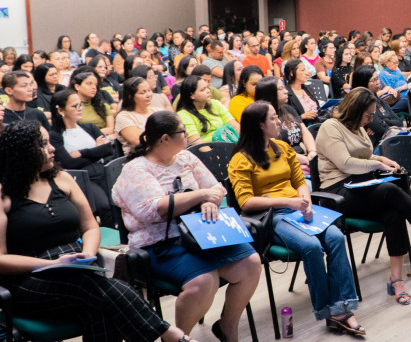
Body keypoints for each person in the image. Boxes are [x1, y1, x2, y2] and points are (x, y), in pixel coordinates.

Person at [0, 121, 196, 342]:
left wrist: (88, 254)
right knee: (98, 288)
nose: (52, 148)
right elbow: (1, 259)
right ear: (23, 152)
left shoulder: (61, 178)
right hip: (29, 278)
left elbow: (90, 226)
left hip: (77, 266)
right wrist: (53, 265)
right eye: (42, 145)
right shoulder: (3, 193)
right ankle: (170, 335)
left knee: (98, 308)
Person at [112, 111, 261, 340]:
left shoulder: (185, 158)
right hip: (161, 242)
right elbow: (155, 210)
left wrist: (209, 202)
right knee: (204, 280)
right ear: (164, 139)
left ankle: (227, 325)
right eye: (183, 132)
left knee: (250, 262)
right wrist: (200, 195)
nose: (188, 135)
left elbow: (217, 188)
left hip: (201, 232)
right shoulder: (136, 169)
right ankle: (179, 337)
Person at [315, 88, 411, 305]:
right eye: (368, 115)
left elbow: (364, 155)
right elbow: (345, 163)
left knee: (393, 211)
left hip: (361, 186)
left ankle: (397, 280)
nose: (370, 120)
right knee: (389, 191)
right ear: (354, 110)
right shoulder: (331, 127)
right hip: (337, 192)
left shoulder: (358, 127)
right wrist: (378, 163)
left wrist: (382, 160)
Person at [227, 102, 364, 336]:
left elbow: (300, 182)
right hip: (272, 216)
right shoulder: (241, 159)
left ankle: (342, 309)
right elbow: (246, 202)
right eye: (273, 118)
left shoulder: (282, 148)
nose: (279, 121)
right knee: (311, 247)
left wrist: (306, 204)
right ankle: (327, 311)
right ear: (260, 125)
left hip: (297, 209)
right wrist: (289, 203)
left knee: (336, 238)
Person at [350, 66, 411, 172]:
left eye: (378, 79)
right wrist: (385, 123)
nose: (378, 82)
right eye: (374, 80)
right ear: (363, 83)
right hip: (378, 149)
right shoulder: (362, 104)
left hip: (392, 139)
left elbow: (399, 122)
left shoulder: (380, 101)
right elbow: (381, 129)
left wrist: (385, 122)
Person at [48, 88, 116, 226]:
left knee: (118, 202)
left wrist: (84, 152)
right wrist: (96, 150)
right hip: (82, 178)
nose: (80, 109)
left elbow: (108, 149)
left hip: (103, 171)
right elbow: (69, 163)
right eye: (74, 106)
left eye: (80, 105)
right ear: (61, 111)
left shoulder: (89, 127)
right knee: (104, 206)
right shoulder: (55, 135)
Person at [253, 77, 317, 175]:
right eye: (281, 89)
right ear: (270, 93)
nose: (286, 91)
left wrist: (312, 152)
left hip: (301, 158)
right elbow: (274, 147)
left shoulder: (288, 109)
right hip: (280, 163)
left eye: (284, 87)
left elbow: (304, 132)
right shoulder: (262, 116)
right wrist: (303, 160)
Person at [176, 76, 240, 145]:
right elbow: (197, 143)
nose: (208, 91)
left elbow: (235, 126)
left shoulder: (215, 103)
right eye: (203, 89)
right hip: (209, 152)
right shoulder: (184, 115)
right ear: (192, 95)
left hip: (230, 146)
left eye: (207, 87)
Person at [115, 77, 163, 155]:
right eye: (143, 92)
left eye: (149, 90)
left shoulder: (158, 111)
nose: (149, 95)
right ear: (131, 96)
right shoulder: (124, 116)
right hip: (140, 157)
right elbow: (139, 141)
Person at [285, 60, 322, 125]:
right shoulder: (286, 93)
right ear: (292, 73)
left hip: (316, 122)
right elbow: (285, 118)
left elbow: (318, 108)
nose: (306, 73)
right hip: (302, 126)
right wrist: (302, 116)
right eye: (302, 70)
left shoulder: (307, 89)